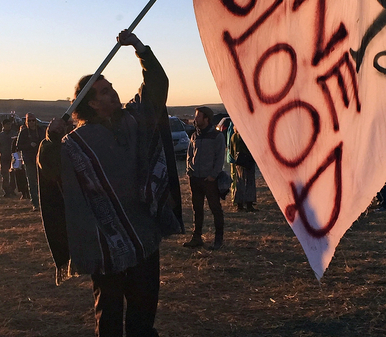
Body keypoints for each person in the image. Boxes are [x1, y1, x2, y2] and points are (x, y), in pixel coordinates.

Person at [37, 30, 183, 337]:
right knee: (110, 317)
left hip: (143, 235)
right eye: (103, 91)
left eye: (112, 87)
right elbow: (49, 167)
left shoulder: (134, 120)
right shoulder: (74, 143)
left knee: (144, 312)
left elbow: (156, 87)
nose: (112, 93)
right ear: (89, 103)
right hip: (106, 246)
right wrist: (50, 140)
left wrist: (140, 49)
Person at [184, 106, 226, 250]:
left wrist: (213, 176)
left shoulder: (217, 136)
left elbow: (220, 158)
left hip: (209, 180)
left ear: (206, 118)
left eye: (198, 116)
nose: (195, 119)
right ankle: (197, 238)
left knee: (215, 209)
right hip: (195, 179)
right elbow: (189, 154)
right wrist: (190, 170)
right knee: (197, 209)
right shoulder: (194, 136)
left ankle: (218, 240)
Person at [16, 113, 45, 210]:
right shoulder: (24, 132)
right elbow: (18, 146)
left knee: (42, 181)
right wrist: (29, 145)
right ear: (26, 122)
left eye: (33, 120)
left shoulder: (41, 131)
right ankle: (36, 204)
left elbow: (46, 142)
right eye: (30, 121)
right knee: (32, 182)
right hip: (29, 160)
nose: (32, 122)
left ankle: (43, 203)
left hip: (40, 159)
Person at [229, 125, 257, 212]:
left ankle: (239, 204)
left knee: (239, 182)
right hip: (248, 161)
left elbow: (231, 150)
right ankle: (249, 204)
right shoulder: (245, 136)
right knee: (249, 182)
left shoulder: (234, 136)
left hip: (239, 162)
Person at [0, 119, 16, 197]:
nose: (8, 126)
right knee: (5, 175)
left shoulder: (14, 134)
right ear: (3, 125)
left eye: (9, 124)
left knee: (13, 175)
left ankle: (12, 189)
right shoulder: (1, 136)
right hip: (4, 157)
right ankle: (6, 190)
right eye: (7, 124)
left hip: (13, 157)